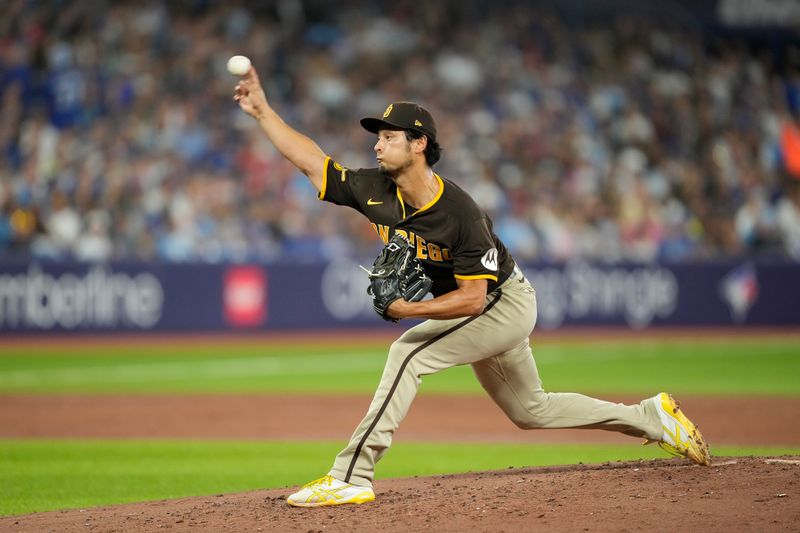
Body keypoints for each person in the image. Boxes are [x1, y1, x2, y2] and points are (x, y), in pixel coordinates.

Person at [232, 66, 711, 508]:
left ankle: (352, 474)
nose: (377, 145)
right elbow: (312, 163)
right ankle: (651, 417)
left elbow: (473, 299)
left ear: (419, 144)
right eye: (377, 137)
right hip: (484, 308)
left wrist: (403, 311)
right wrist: (263, 112)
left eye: (389, 136)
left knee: (408, 355)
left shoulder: (459, 212)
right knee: (531, 410)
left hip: (503, 303)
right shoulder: (374, 189)